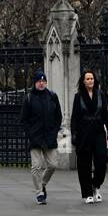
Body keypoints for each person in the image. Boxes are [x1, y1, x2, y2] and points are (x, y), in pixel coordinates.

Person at [19, 70, 63, 203]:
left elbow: (58, 116)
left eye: (43, 81)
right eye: (39, 81)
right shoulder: (29, 98)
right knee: (36, 167)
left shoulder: (52, 96)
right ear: (35, 82)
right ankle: (39, 192)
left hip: (50, 137)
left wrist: (54, 131)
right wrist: (30, 134)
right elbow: (23, 120)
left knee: (53, 164)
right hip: (35, 137)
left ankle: (42, 183)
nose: (41, 83)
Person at [70, 69, 108, 203]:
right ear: (83, 81)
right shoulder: (78, 96)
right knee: (84, 164)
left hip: (99, 131)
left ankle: (96, 185)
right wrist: (73, 134)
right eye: (87, 79)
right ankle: (87, 193)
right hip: (83, 133)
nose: (90, 81)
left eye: (92, 78)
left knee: (101, 160)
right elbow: (74, 118)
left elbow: (105, 115)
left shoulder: (100, 95)